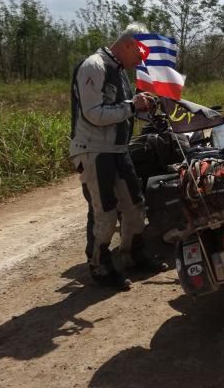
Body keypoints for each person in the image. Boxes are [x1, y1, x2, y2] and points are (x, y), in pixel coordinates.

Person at [69, 22, 162, 290]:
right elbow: (94, 113)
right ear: (128, 44)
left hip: (119, 149)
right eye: (140, 53)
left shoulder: (120, 73)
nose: (141, 60)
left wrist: (142, 106)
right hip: (94, 149)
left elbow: (124, 110)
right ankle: (100, 266)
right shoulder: (93, 66)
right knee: (105, 212)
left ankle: (134, 254)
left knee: (135, 206)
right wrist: (132, 106)